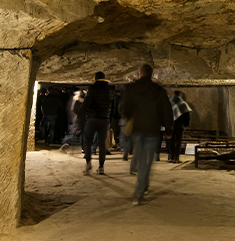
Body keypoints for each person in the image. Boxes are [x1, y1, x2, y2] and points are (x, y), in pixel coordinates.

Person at [120, 64, 173, 205]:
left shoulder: (132, 88)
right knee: (147, 163)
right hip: (153, 130)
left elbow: (125, 109)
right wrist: (168, 130)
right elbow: (167, 111)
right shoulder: (159, 91)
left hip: (137, 129)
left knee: (141, 160)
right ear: (151, 74)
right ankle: (139, 191)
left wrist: (129, 118)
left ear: (140, 74)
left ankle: (140, 189)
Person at [80, 72, 114, 174]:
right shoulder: (110, 90)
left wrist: (81, 114)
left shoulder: (92, 88)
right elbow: (113, 107)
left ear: (95, 79)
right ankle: (101, 167)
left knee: (87, 140)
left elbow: (86, 103)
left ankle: (88, 163)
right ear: (104, 78)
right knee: (102, 142)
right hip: (104, 119)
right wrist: (109, 120)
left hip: (92, 118)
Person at [168, 91, 192, 163]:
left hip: (171, 125)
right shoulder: (183, 104)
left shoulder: (169, 104)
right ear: (180, 95)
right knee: (178, 141)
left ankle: (171, 156)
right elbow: (187, 116)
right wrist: (186, 124)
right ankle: (177, 157)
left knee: (171, 141)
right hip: (180, 126)